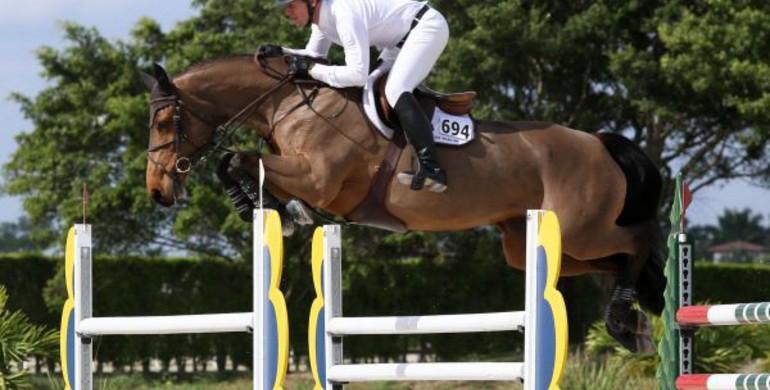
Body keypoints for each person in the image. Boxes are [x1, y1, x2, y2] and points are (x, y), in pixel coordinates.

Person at [260, 0, 449, 193]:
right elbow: (315, 55)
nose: (287, 12)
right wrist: (283, 52)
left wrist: (311, 70)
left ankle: (431, 168)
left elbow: (357, 75)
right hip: (399, 41)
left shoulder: (343, 14)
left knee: (395, 89)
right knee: (371, 88)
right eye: (285, 9)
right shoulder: (321, 21)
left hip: (426, 28)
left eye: (291, 5)